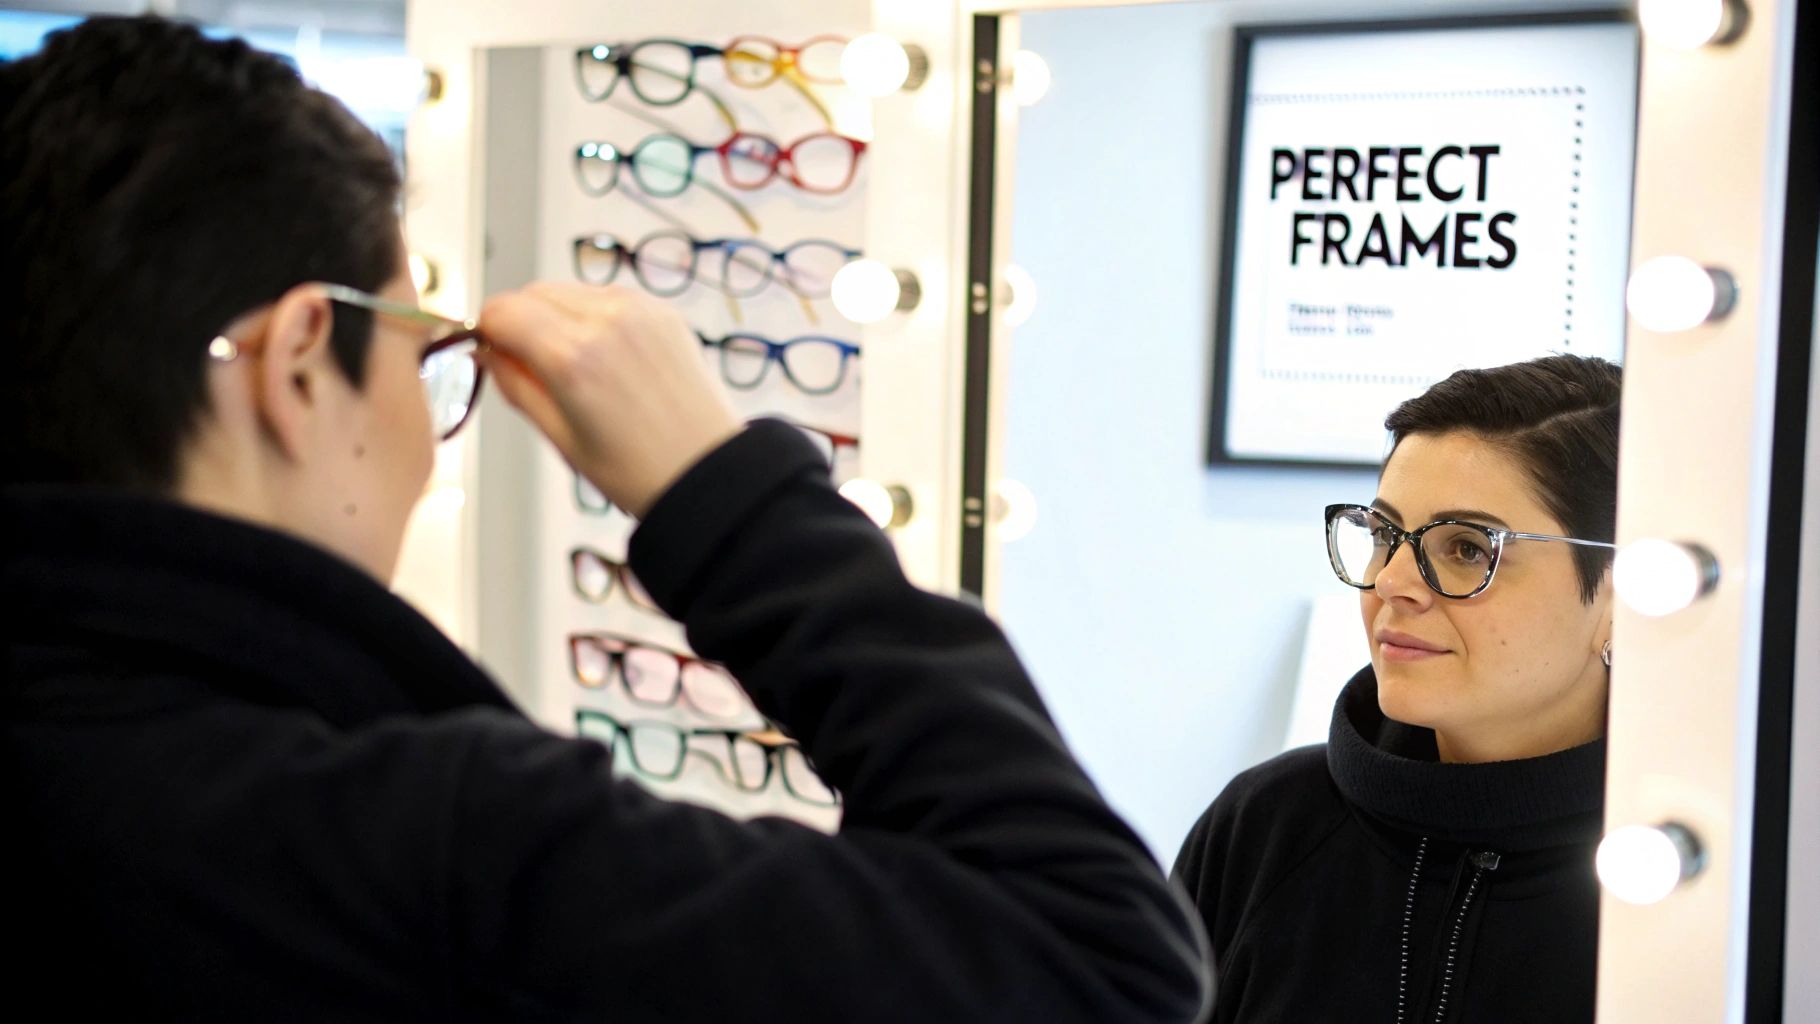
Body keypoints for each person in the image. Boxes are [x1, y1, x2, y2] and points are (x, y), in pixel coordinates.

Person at [0, 16, 1208, 1021]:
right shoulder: (417, 846)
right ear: (305, 361)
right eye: (431, 355)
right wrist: (720, 494)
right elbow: (1100, 965)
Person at [1172, 355, 1621, 1023]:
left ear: (1619, 597)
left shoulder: (1688, 874)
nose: (1390, 582)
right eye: (1386, 534)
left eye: (1467, 548)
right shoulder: (1264, 829)